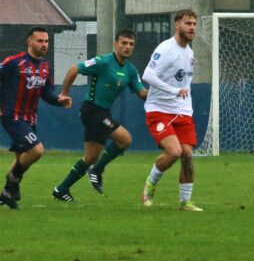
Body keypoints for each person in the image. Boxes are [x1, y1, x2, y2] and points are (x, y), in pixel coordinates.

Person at [51, 29, 147, 201]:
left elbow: (141, 93)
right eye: (124, 43)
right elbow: (74, 69)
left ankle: (61, 189)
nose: (127, 47)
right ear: (115, 44)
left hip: (103, 112)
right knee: (125, 139)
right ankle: (97, 170)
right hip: (92, 111)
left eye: (131, 44)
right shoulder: (102, 61)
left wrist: (163, 92)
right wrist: (64, 93)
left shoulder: (131, 70)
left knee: (90, 157)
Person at [0, 26, 72, 209]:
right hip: (12, 116)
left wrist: (59, 100)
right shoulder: (14, 62)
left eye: (46, 41)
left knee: (21, 159)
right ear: (29, 41)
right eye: (40, 40)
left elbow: (47, 93)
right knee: (37, 150)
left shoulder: (45, 66)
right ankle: (12, 180)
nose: (44, 44)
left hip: (31, 118)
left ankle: (7, 194)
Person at [141, 9, 202, 212]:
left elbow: (186, 84)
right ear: (177, 25)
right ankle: (150, 186)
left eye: (194, 24)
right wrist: (173, 91)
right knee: (174, 152)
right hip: (158, 110)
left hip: (182, 112)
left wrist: (186, 105)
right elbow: (148, 76)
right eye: (187, 23)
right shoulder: (166, 48)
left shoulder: (190, 53)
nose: (192, 27)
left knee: (187, 154)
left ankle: (185, 202)